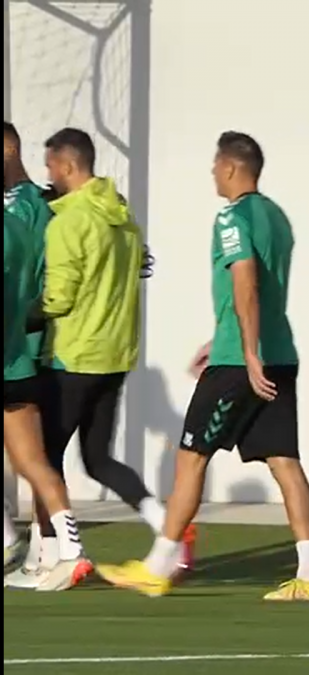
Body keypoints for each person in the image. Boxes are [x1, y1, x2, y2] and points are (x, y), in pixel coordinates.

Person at [96, 131, 309, 601]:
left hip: (241, 362)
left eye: (215, 166)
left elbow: (246, 282)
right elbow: (263, 290)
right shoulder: (277, 218)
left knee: (191, 456)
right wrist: (225, 337)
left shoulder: (232, 217)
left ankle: (158, 566)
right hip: (277, 354)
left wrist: (244, 351)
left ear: (231, 168)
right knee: (285, 461)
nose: (212, 175)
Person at [27, 128, 189, 582]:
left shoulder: (69, 223)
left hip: (75, 356)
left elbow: (58, 299)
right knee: (98, 458)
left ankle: (58, 554)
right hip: (115, 356)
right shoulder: (122, 216)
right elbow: (140, 266)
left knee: (44, 460)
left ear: (67, 166)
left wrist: (17, 321)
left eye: (51, 166)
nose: (48, 174)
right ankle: (169, 532)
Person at [3, 208, 92, 590]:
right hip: (20, 361)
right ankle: (71, 548)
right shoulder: (21, 230)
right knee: (33, 463)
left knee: (31, 463)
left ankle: (11, 541)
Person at [3, 121, 56, 589]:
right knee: (30, 454)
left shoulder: (30, 206)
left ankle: (47, 548)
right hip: (22, 342)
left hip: (26, 345)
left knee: (35, 454)